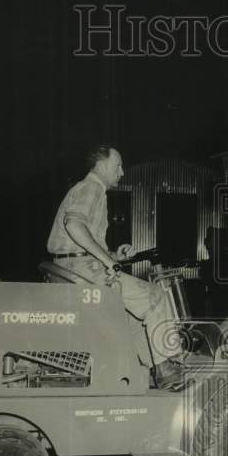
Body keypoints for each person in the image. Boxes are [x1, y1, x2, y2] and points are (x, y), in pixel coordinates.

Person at [46, 145, 184, 388]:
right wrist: (109, 263)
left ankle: (153, 369)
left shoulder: (90, 191)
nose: (121, 172)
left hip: (74, 267)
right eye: (117, 166)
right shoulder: (92, 188)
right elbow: (74, 226)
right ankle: (168, 365)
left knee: (132, 313)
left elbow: (82, 241)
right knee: (154, 296)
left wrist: (113, 255)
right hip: (81, 269)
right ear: (100, 165)